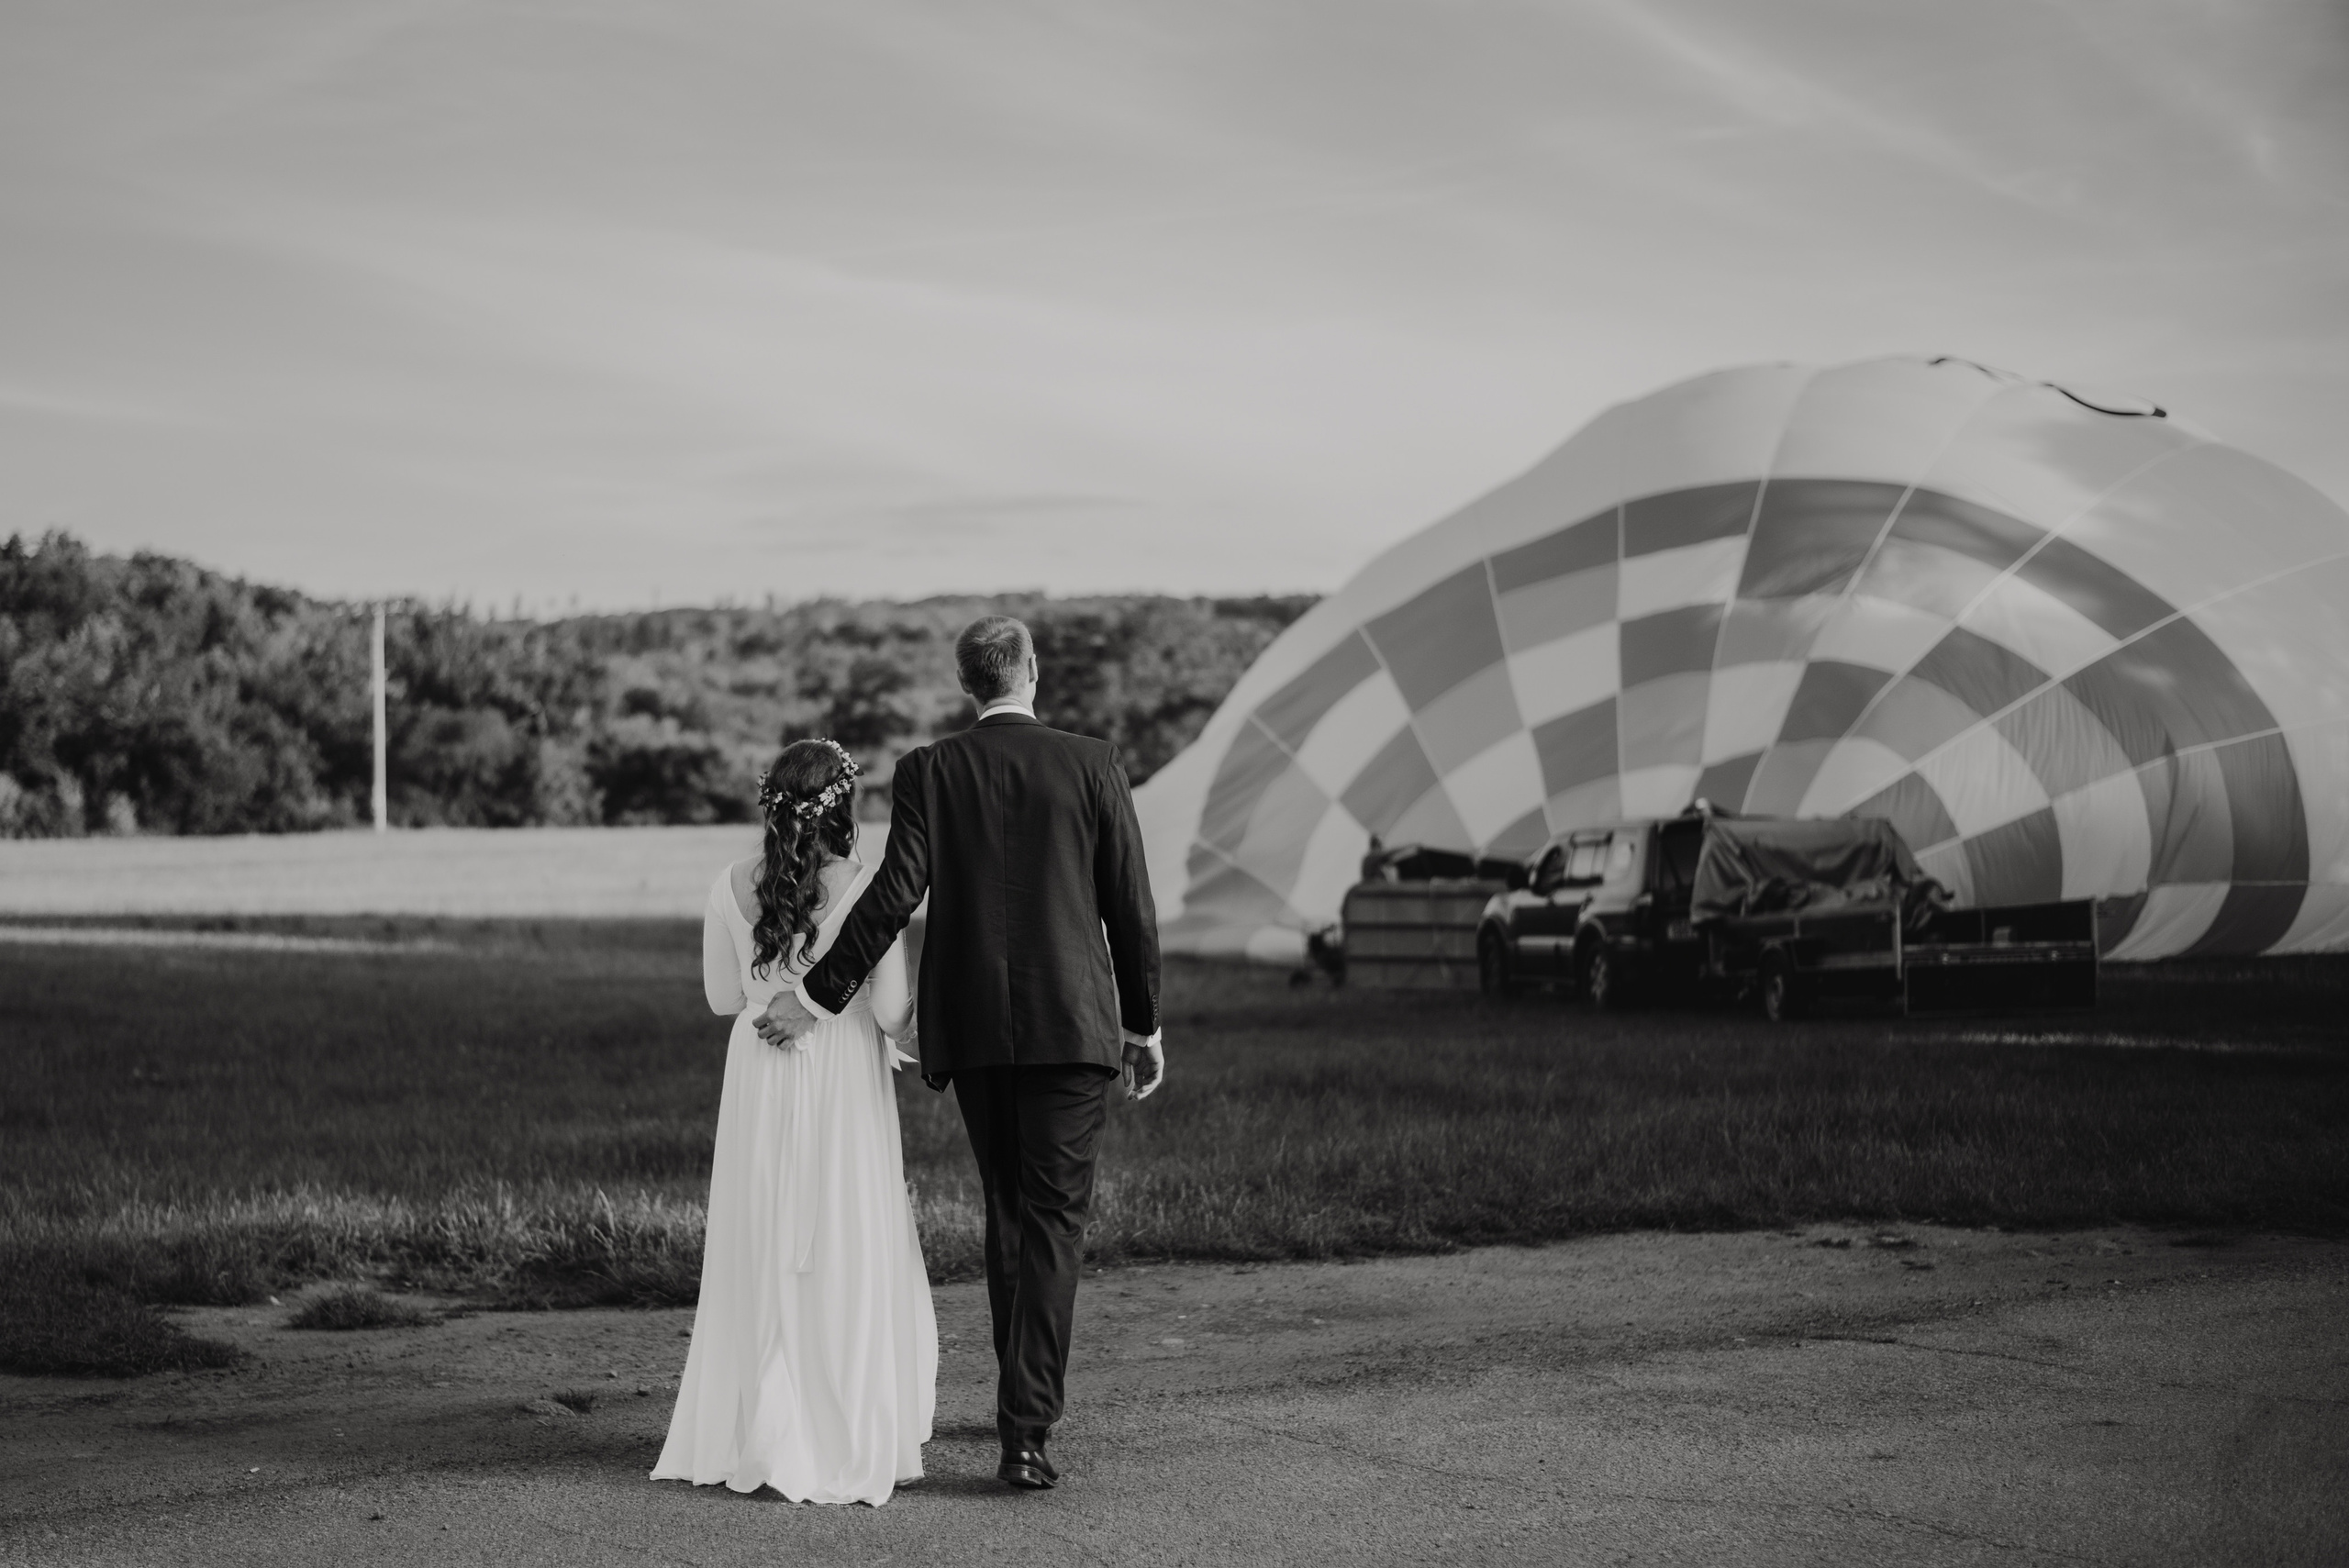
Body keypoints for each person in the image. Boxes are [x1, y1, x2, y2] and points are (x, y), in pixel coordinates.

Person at [756, 614, 1163, 1492]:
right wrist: (1144, 1022)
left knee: (1010, 1211)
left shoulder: (931, 770)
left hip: (976, 1029)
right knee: (1053, 1221)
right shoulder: (1093, 762)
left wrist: (815, 995)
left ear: (966, 683)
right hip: (1073, 1026)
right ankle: (1025, 1430)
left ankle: (1021, 1406)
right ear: (1030, 672)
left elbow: (893, 896)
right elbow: (1129, 903)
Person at [651, 738, 936, 1507]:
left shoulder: (728, 884)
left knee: (765, 1236)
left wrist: (767, 983)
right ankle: (835, 1424)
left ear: (769, 803)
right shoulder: (870, 887)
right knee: (840, 1232)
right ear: (845, 806)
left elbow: (720, 998)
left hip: (759, 1071)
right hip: (839, 1075)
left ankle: (757, 1423)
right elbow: (887, 1014)